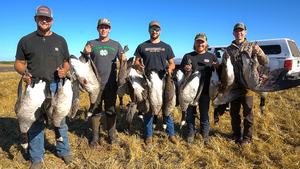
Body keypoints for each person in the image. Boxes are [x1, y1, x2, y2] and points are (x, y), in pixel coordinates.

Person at [14, 5, 74, 169]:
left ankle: (64, 151)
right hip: (35, 89)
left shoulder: (60, 40)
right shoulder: (25, 40)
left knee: (60, 120)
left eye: (47, 18)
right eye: (41, 18)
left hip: (56, 87)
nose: (44, 21)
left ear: (52, 21)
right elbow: (18, 63)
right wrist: (24, 74)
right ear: (35, 19)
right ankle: (37, 158)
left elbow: (66, 62)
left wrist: (65, 70)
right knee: (36, 123)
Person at [223, 22, 269, 147]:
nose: (239, 33)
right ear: (233, 33)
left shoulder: (252, 46)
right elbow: (224, 68)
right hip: (234, 87)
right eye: (237, 31)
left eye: (241, 30)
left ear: (245, 32)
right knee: (234, 113)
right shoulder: (228, 49)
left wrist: (258, 52)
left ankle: (247, 138)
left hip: (248, 86)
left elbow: (265, 62)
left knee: (248, 113)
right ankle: (236, 135)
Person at [134, 20, 178, 145]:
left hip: (163, 80)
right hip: (148, 81)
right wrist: (138, 66)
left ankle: (171, 134)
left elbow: (172, 63)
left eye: (157, 29)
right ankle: (149, 135)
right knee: (148, 107)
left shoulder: (166, 46)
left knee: (167, 106)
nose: (154, 31)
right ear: (149, 31)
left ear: (160, 31)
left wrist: (170, 68)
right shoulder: (142, 46)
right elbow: (136, 62)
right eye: (152, 29)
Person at [84, 18, 126, 147]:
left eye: (106, 27)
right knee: (96, 110)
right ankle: (95, 138)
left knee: (110, 110)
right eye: (101, 27)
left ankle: (111, 136)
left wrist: (124, 58)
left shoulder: (116, 44)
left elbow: (122, 60)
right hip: (95, 85)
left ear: (110, 29)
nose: (103, 29)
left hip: (111, 83)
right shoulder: (91, 43)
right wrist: (86, 53)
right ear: (97, 29)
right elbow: (84, 61)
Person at [180, 33, 219, 144]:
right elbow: (181, 72)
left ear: (206, 43)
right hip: (190, 91)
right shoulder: (188, 56)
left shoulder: (211, 57)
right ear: (195, 43)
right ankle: (191, 132)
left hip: (206, 90)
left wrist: (217, 67)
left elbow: (217, 73)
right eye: (198, 41)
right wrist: (185, 69)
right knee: (189, 113)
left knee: (204, 113)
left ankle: (204, 134)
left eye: (202, 42)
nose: (200, 44)